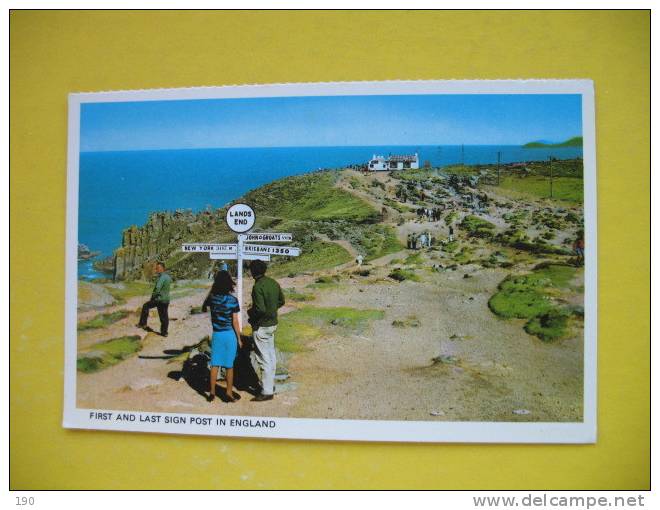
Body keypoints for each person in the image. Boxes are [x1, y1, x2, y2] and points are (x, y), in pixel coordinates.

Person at [201, 270, 242, 403]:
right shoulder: (233, 300)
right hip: (229, 334)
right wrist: (239, 339)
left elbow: (204, 306)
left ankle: (212, 393)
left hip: (217, 334)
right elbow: (235, 321)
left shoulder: (212, 298)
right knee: (229, 365)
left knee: (215, 364)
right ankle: (228, 393)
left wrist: (212, 289)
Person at [247, 260, 285, 402]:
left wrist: (251, 314)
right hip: (272, 324)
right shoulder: (273, 282)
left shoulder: (258, 286)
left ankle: (267, 391)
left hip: (261, 325)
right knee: (271, 355)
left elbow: (260, 309)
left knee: (264, 359)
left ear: (253, 271)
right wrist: (271, 310)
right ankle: (270, 385)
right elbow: (281, 301)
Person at [137, 262, 171, 337]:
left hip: (159, 300)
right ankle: (164, 332)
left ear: (162, 268)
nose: (156, 269)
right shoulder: (168, 277)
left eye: (158, 268)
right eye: (156, 268)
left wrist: (153, 297)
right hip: (166, 300)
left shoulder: (161, 277)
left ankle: (143, 324)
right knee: (164, 316)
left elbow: (157, 288)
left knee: (145, 306)